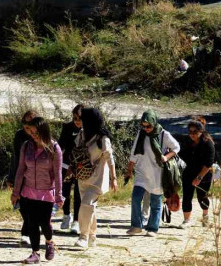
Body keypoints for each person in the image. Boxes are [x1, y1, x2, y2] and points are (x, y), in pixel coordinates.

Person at [11, 117, 63, 263]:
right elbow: (21, 169)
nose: (33, 135)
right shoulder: (26, 146)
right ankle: (35, 253)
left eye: (36, 132)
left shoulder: (54, 148)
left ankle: (49, 241)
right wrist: (16, 192)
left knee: (45, 223)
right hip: (28, 191)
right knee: (32, 223)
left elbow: (58, 174)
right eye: (31, 132)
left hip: (46, 192)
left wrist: (59, 196)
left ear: (44, 131)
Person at [125, 110, 180, 238]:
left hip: (157, 173)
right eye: (143, 126)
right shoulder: (141, 134)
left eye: (148, 126)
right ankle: (137, 225)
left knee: (155, 202)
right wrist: (129, 171)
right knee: (136, 197)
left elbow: (176, 147)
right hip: (141, 172)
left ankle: (153, 228)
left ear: (154, 123)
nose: (146, 129)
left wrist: (166, 157)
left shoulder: (163, 134)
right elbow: (134, 154)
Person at [72, 108, 117, 250]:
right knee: (89, 208)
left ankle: (83, 237)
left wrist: (114, 178)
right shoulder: (81, 135)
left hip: (98, 180)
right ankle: (92, 236)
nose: (81, 122)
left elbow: (110, 159)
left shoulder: (102, 139)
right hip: (82, 177)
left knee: (86, 204)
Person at [7, 110, 39, 247]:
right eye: (24, 122)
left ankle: (26, 232)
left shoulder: (41, 135)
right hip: (20, 174)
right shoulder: (19, 135)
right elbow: (14, 156)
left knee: (33, 206)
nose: (27, 125)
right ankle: (29, 228)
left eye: (30, 122)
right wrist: (11, 176)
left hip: (36, 176)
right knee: (22, 205)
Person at [180, 117, 215, 228]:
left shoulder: (208, 143)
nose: (192, 134)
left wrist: (199, 178)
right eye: (190, 131)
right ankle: (187, 220)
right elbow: (181, 155)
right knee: (187, 196)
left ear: (201, 131)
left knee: (202, 197)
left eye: (195, 132)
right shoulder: (187, 141)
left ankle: (205, 217)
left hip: (204, 174)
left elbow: (208, 163)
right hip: (189, 172)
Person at [58, 105, 82, 234]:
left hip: (81, 167)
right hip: (66, 165)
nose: (77, 121)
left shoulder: (89, 130)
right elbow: (61, 145)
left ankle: (77, 221)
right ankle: (66, 215)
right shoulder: (67, 127)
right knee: (65, 192)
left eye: (79, 118)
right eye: (75, 118)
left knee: (78, 194)